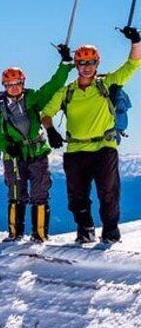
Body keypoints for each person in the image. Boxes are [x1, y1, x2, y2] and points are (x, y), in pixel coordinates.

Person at [40, 26, 141, 244]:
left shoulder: (107, 84)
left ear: (97, 63)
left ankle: (111, 231)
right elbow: (46, 113)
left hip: (104, 147)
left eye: (91, 62)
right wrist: (50, 130)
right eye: (82, 63)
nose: (87, 67)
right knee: (77, 196)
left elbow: (133, 64)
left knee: (109, 193)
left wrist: (136, 41)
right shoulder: (67, 91)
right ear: (76, 65)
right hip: (76, 149)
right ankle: (85, 228)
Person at [0, 45, 74, 242]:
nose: (14, 87)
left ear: (23, 82)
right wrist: (6, 147)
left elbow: (53, 85)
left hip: (36, 152)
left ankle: (40, 235)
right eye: (9, 84)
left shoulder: (33, 98)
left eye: (17, 83)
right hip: (14, 156)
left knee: (40, 193)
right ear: (4, 86)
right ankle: (14, 235)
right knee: (16, 193)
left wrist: (65, 65)